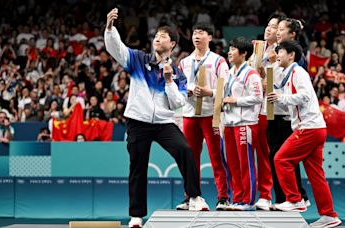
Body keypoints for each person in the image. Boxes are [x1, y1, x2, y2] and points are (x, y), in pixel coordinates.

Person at [105, 8, 208, 228]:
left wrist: (170, 81)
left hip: (163, 123)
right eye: (156, 36)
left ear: (172, 44)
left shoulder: (178, 73)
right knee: (137, 167)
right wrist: (110, 28)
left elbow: (177, 103)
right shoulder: (138, 59)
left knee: (185, 150)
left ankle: (195, 196)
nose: (157, 39)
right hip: (138, 122)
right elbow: (117, 49)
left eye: (163, 36)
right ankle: (136, 216)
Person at [267, 40, 341, 228]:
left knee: (280, 159)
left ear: (291, 55)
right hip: (314, 128)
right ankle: (329, 215)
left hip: (309, 128)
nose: (277, 55)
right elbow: (285, 101)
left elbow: (306, 95)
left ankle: (295, 199)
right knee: (316, 175)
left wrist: (281, 97)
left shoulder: (298, 72)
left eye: (280, 52)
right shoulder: (286, 74)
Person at [176, 22, 230, 211]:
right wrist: (188, 91)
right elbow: (178, 87)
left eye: (201, 33)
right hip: (190, 114)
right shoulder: (183, 62)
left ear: (210, 37)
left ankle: (223, 197)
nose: (197, 36)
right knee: (190, 158)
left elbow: (226, 89)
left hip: (211, 114)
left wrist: (210, 92)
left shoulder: (218, 61)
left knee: (216, 156)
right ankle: (191, 195)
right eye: (195, 33)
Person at [268, 17, 310, 208]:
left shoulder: (295, 58)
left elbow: (295, 90)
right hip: (273, 111)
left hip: (287, 115)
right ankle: (284, 198)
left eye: (281, 28)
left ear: (292, 34)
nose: (277, 31)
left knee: (284, 158)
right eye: (275, 28)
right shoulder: (275, 52)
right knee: (276, 157)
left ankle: (295, 197)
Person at [222, 37, 263, 210]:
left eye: (233, 49)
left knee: (245, 163)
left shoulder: (251, 74)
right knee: (232, 163)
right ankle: (237, 198)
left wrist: (235, 101)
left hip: (245, 124)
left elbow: (258, 97)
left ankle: (248, 201)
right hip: (230, 124)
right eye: (229, 49)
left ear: (244, 53)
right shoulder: (230, 73)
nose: (229, 52)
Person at [252, 13, 286, 211]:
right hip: (250, 108)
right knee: (252, 153)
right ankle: (249, 195)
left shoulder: (283, 52)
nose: (269, 29)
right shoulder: (256, 47)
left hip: (270, 108)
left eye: (274, 27)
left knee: (267, 153)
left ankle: (267, 195)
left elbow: (278, 81)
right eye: (268, 25)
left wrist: (268, 74)